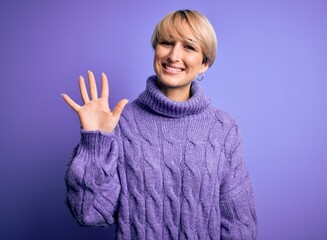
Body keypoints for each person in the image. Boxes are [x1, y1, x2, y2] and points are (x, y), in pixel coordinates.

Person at [62, 9, 258, 239]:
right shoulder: (121, 123)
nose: (174, 55)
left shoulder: (223, 129)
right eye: (166, 42)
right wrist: (95, 141)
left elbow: (240, 225)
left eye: (189, 47)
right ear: (156, 48)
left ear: (204, 63)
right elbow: (90, 214)